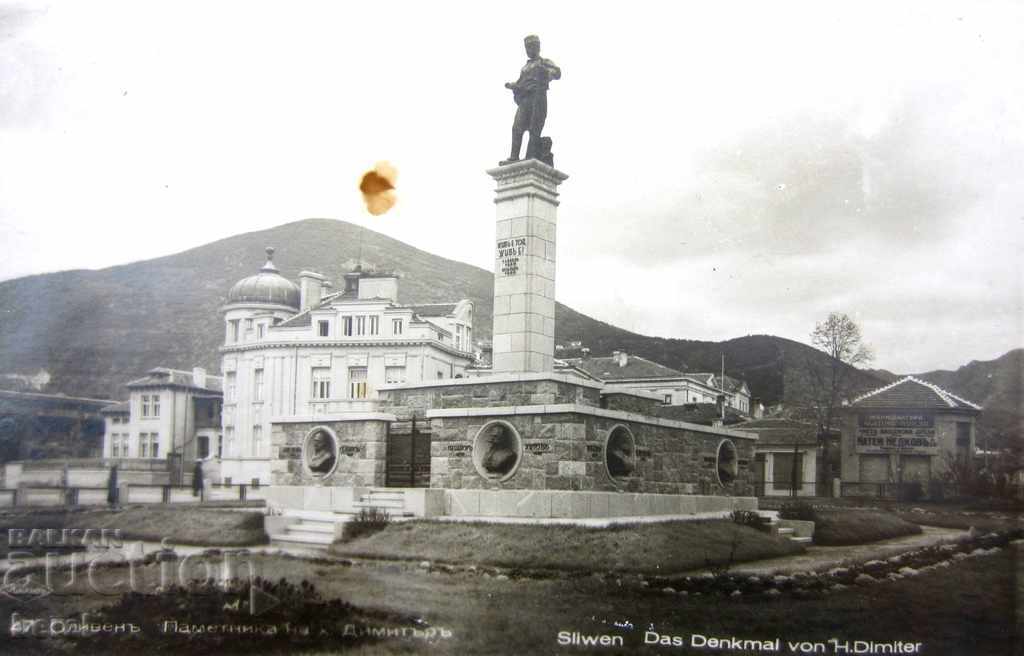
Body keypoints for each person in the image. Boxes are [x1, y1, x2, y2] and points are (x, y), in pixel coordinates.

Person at [501, 35, 560, 165]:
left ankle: (531, 155)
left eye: (532, 46)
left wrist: (547, 73)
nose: (529, 50)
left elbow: (557, 72)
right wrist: (513, 85)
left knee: (535, 127)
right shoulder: (525, 67)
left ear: (538, 47)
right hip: (525, 99)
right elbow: (520, 82)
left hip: (538, 97)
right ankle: (513, 157)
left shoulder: (544, 61)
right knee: (517, 127)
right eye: (527, 47)